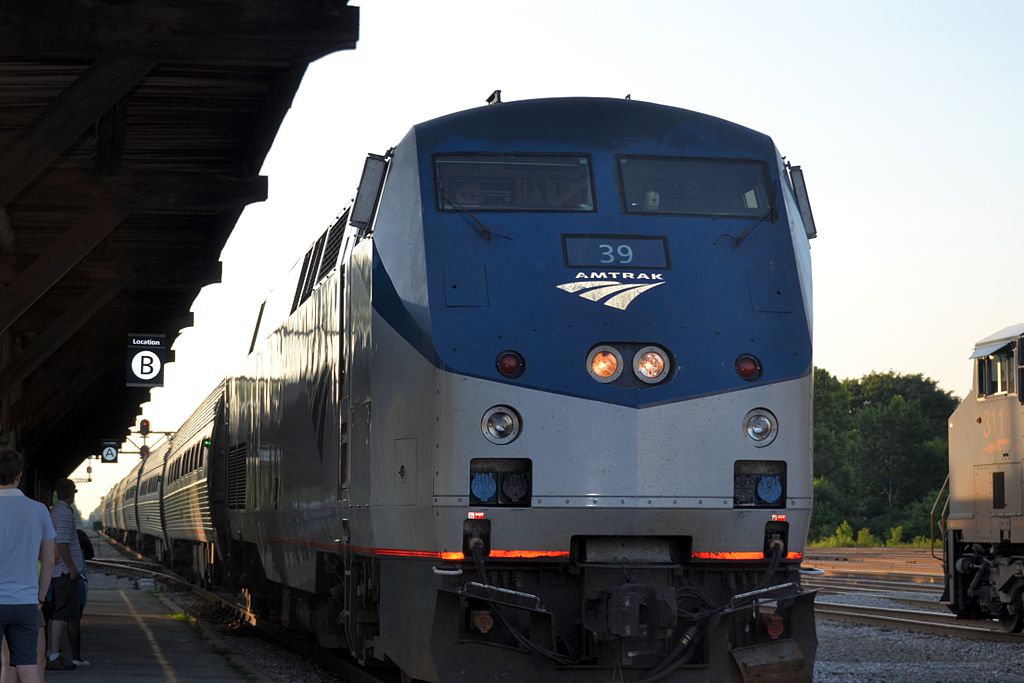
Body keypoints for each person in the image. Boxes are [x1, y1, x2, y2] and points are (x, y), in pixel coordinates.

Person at [0, 448, 56, 683]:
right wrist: (40, 597)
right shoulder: (39, 510)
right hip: (25, 602)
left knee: (5, 662)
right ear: (19, 475)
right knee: (27, 665)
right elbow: (49, 561)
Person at [45, 480, 81, 671]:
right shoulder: (65, 513)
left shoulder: (54, 511)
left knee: (55, 613)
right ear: (71, 493)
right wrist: (73, 567)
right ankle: (54, 655)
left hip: (56, 571)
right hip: (64, 572)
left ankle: (51, 652)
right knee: (61, 613)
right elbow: (62, 543)